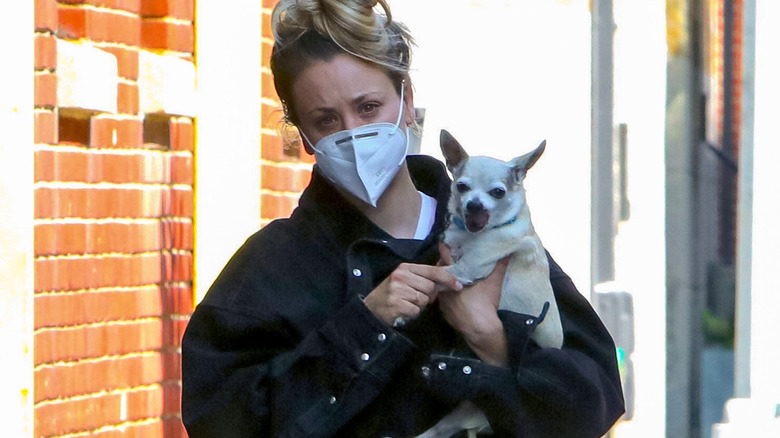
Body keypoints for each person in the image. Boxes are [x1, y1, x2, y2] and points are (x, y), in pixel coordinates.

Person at [181, 0, 625, 436]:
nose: (353, 133)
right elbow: (220, 419)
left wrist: (491, 338)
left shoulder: (502, 242)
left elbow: (595, 402)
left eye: (369, 108)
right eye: (326, 120)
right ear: (302, 134)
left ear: (406, 99)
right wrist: (364, 326)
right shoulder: (275, 268)